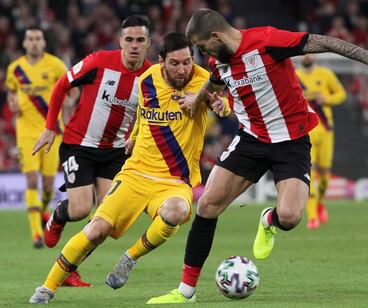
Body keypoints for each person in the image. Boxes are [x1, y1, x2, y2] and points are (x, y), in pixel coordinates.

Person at [147, 8, 368, 304]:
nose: (204, 55)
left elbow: (325, 42)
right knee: (206, 206)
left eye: (204, 47)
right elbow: (216, 81)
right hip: (251, 140)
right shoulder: (220, 61)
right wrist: (199, 97)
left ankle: (269, 219)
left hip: (291, 142)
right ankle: (185, 292)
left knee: (291, 216)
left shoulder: (268, 41)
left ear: (216, 36)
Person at [28, 32, 229, 304]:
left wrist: (220, 105)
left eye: (187, 62)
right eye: (175, 63)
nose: (183, 69)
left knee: (177, 211)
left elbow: (224, 104)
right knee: (95, 229)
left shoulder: (203, 81)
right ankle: (47, 287)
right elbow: (144, 115)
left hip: (174, 180)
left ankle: (130, 257)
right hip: (134, 174)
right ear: (160, 62)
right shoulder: (147, 80)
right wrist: (134, 135)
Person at [31, 15, 152, 287]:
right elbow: (62, 85)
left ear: (149, 43)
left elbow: (150, 116)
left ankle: (69, 268)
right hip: (79, 145)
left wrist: (136, 139)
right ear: (120, 41)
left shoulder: (150, 77)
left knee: (106, 222)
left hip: (115, 152)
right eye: (129, 39)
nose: (134, 45)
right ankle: (59, 215)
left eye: (140, 40)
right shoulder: (98, 62)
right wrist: (51, 127)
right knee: (81, 208)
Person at [5, 26, 75, 249]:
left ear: (43, 43)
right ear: (24, 44)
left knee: (46, 186)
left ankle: (44, 210)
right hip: (26, 132)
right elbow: (11, 92)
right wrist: (12, 102)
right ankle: (36, 233)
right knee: (32, 180)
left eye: (37, 39)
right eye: (30, 39)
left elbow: (71, 88)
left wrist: (70, 102)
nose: (34, 42)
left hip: (51, 130)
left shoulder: (55, 65)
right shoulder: (15, 69)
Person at [295, 54, 347, 229]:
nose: (307, 56)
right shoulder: (294, 75)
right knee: (311, 172)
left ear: (315, 56)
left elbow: (341, 94)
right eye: (304, 53)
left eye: (310, 53)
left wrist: (327, 98)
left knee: (324, 176)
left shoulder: (326, 74)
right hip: (306, 130)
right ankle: (312, 216)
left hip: (325, 129)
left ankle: (319, 202)